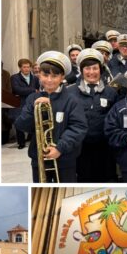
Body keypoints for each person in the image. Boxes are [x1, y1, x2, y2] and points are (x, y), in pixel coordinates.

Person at [14, 51, 88, 182]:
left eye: (54, 76)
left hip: (65, 158)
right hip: (39, 158)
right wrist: (32, 108)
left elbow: (78, 127)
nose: (49, 80)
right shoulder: (32, 98)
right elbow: (21, 125)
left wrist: (60, 148)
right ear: (39, 75)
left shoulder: (72, 100)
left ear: (62, 77)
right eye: (45, 75)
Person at [67, 48, 119, 182]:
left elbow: (115, 120)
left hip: (105, 148)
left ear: (100, 70)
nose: (91, 72)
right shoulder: (70, 92)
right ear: (81, 70)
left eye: (95, 68)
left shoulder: (111, 92)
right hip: (79, 148)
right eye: (87, 69)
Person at [10, 58, 40, 149]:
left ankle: (33, 140)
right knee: (19, 122)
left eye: (28, 67)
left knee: (35, 121)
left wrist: (33, 91)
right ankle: (21, 143)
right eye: (24, 67)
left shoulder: (35, 78)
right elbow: (17, 89)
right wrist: (33, 90)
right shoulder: (14, 77)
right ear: (20, 68)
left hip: (32, 103)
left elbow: (38, 90)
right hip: (20, 103)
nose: (26, 69)